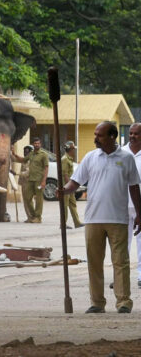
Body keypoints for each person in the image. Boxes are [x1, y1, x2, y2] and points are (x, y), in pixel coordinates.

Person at [59, 121, 141, 314]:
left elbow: (134, 187)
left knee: (121, 262)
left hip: (118, 218)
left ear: (112, 136)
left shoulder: (126, 158)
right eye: (95, 134)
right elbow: (75, 181)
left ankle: (123, 302)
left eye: (100, 135)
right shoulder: (90, 157)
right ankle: (97, 302)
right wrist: (64, 191)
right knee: (94, 262)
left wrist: (139, 213)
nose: (96, 138)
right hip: (93, 218)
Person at [122, 122, 141, 289]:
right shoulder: (120, 153)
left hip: (140, 206)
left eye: (136, 133)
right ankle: (122, 276)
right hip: (122, 204)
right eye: (131, 133)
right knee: (122, 242)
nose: (133, 136)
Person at [12, 138, 48, 223]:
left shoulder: (43, 155)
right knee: (27, 198)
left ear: (40, 144)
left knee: (39, 200)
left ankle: (38, 217)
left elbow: (46, 168)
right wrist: (14, 154)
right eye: (35, 143)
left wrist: (44, 180)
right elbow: (23, 160)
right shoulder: (31, 154)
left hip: (39, 179)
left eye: (38, 143)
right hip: (31, 179)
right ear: (33, 144)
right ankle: (32, 216)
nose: (37, 145)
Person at [62, 141, 83, 229]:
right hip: (66, 186)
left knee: (73, 204)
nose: (74, 151)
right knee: (65, 205)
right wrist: (68, 186)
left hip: (70, 186)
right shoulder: (65, 159)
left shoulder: (69, 159)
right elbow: (65, 174)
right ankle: (63, 224)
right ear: (70, 149)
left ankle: (77, 222)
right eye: (73, 149)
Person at [15, 145, 34, 221]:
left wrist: (16, 173)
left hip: (28, 182)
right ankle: (29, 216)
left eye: (27, 152)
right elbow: (16, 159)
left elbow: (27, 172)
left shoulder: (30, 161)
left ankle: (31, 216)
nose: (25, 153)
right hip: (24, 182)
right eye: (24, 151)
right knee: (26, 201)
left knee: (28, 200)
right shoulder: (25, 160)